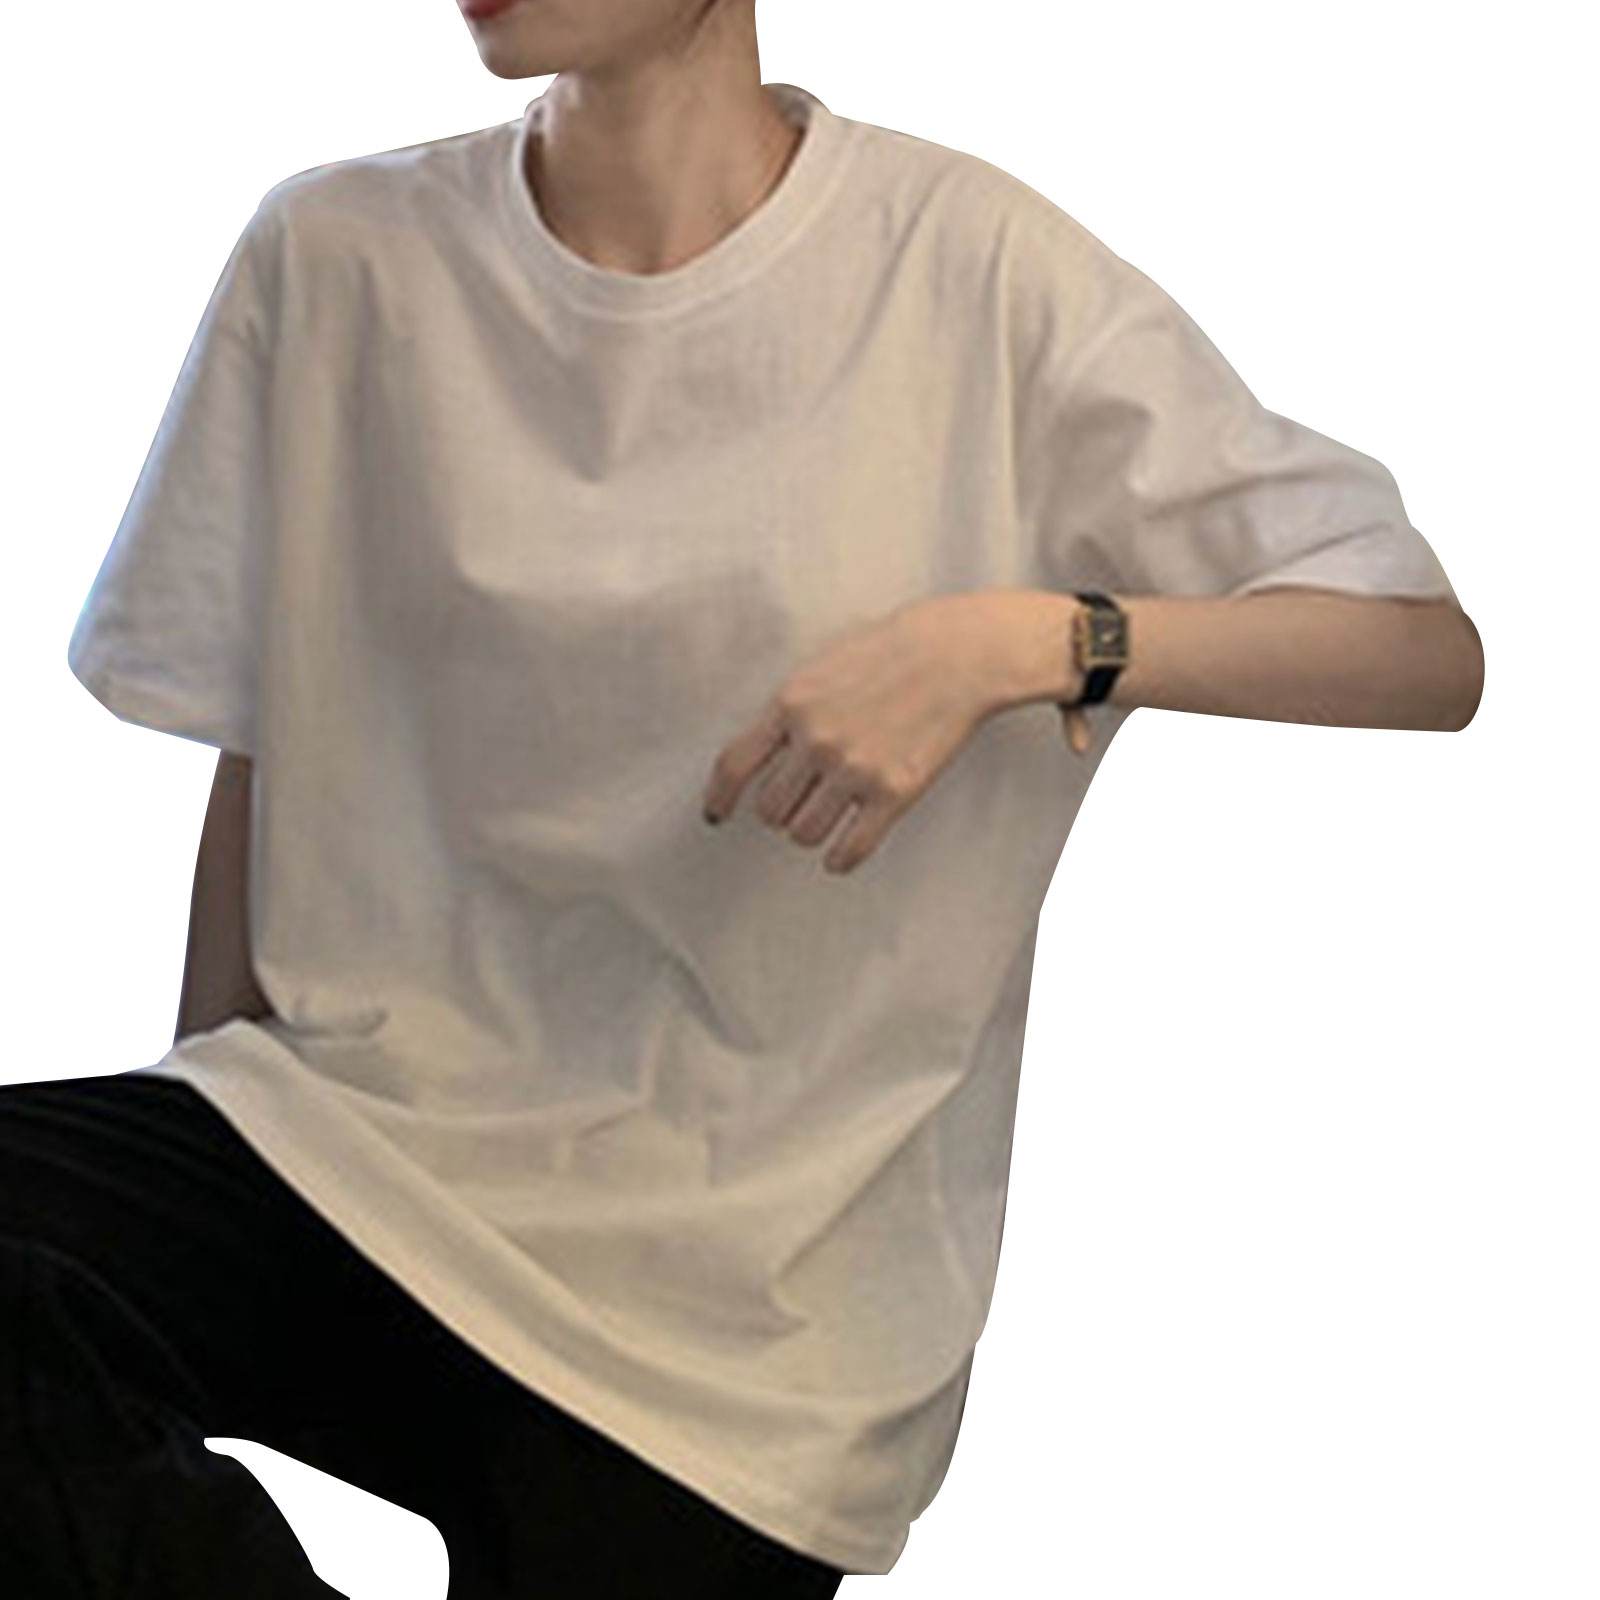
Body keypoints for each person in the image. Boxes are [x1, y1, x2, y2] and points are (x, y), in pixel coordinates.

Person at [10, 0, 1484, 1594]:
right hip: (361, 1155)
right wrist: (189, 1164)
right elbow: (273, 729)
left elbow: (1420, 650)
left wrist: (1030, 642)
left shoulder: (973, 271)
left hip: (750, 1331)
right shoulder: (336, 255)